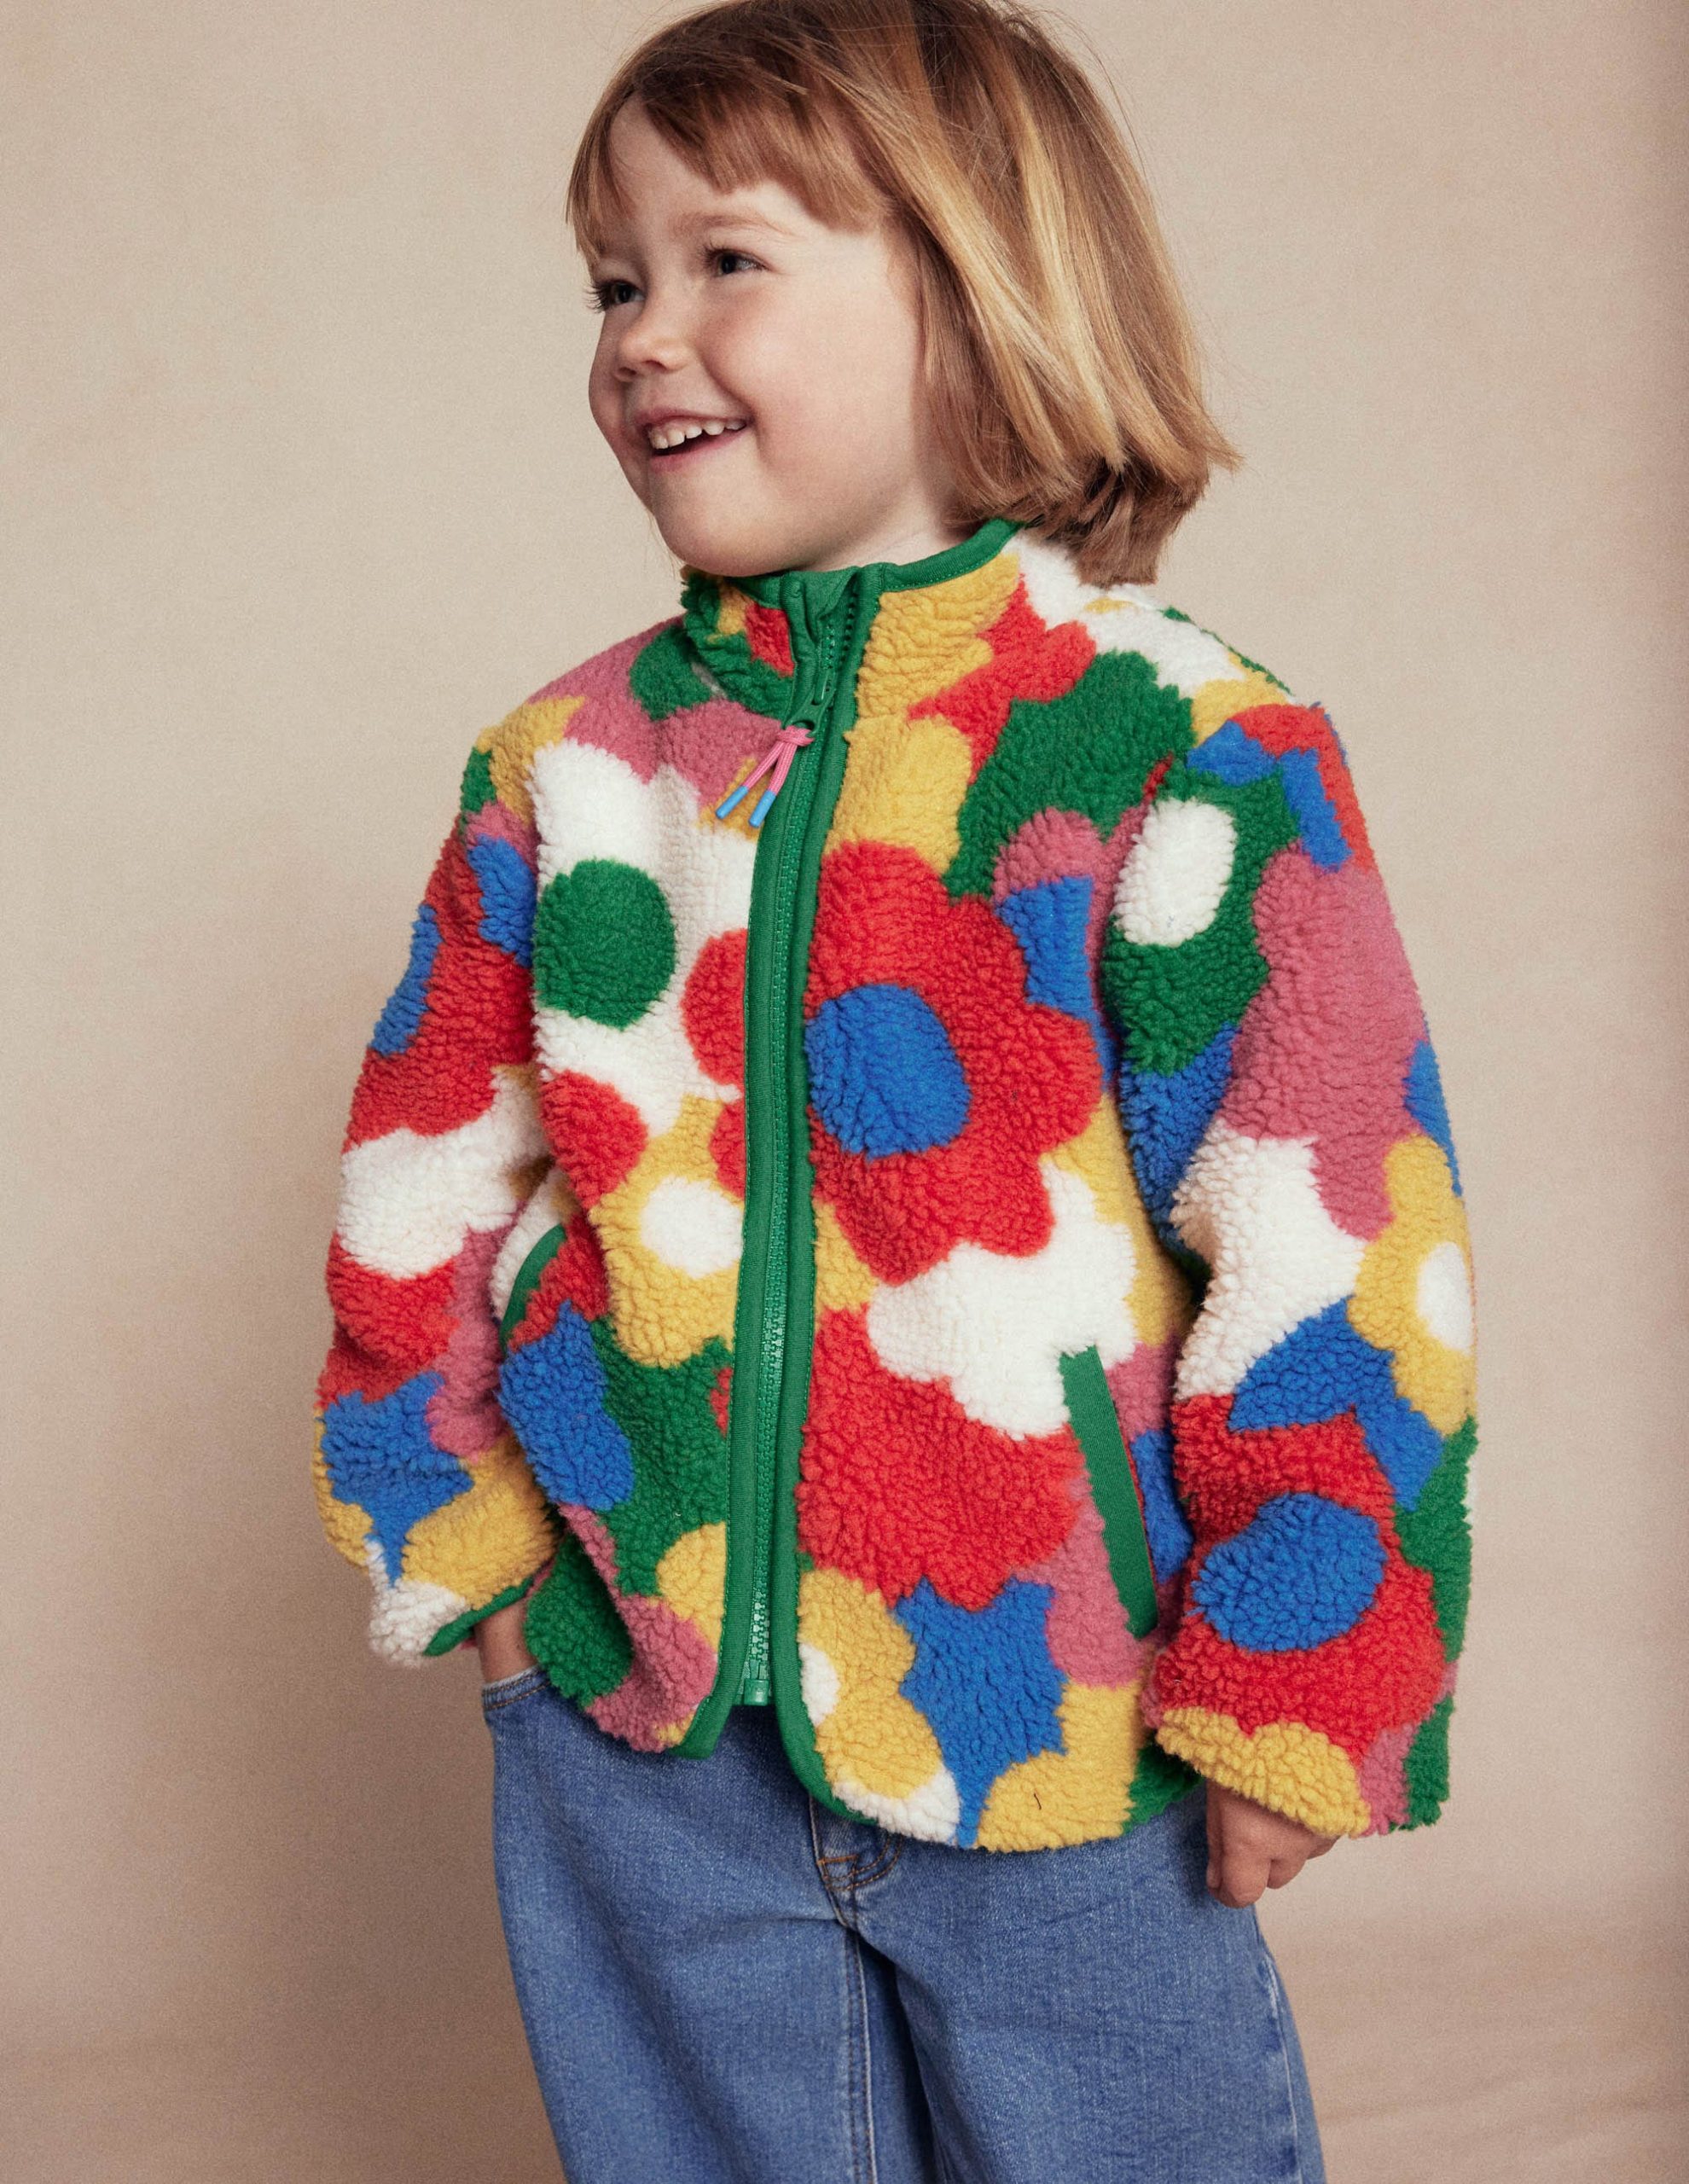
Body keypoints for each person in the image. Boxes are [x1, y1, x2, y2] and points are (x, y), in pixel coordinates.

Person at [310, 3, 1477, 2176]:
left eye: (725, 261)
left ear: (973, 289)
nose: (644, 337)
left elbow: (1329, 1228)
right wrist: (466, 1557)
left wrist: (1297, 1681)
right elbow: (423, 1177)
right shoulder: (570, 770)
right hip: (634, 1721)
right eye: (614, 281)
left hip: (1063, 1714)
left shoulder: (1180, 747)